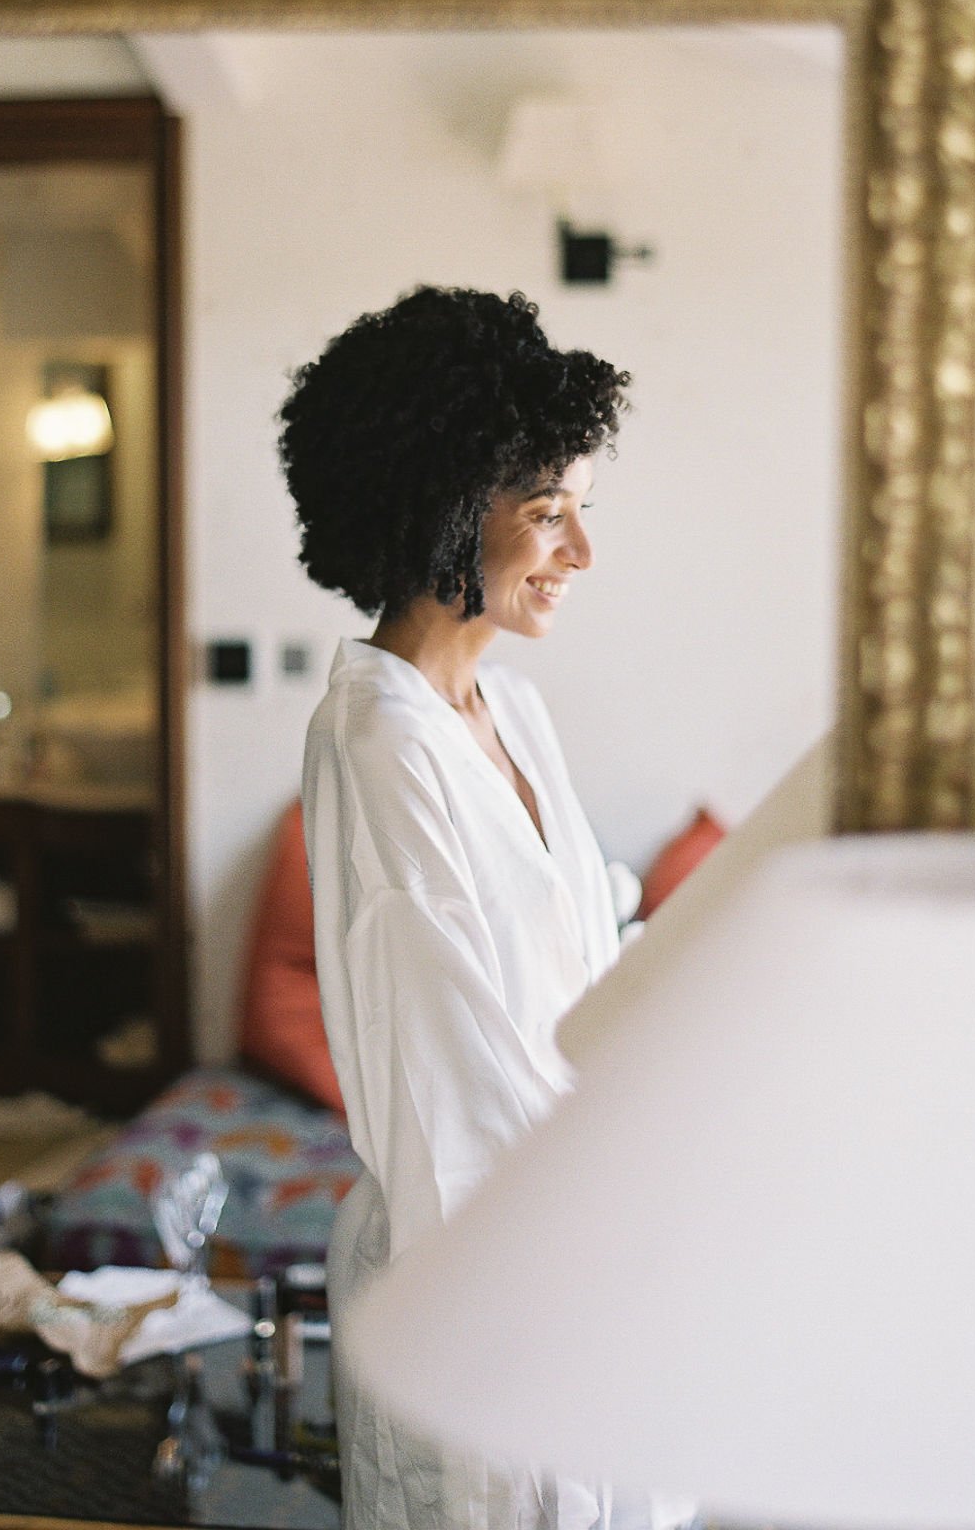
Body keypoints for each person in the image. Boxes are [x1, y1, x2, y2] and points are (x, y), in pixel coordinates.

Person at [279, 286, 685, 1530]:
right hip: (489, 1277)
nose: (579, 551)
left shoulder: (513, 712)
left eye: (580, 509)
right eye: (546, 512)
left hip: (582, 1247)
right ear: (449, 511)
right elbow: (450, 1082)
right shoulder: (379, 741)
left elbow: (589, 951)